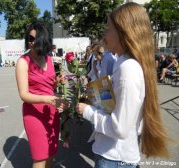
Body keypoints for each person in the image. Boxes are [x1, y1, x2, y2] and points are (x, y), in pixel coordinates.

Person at [76, 2, 169, 168]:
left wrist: (87, 111)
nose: (104, 35)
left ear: (123, 32)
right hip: (115, 155)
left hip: (114, 158)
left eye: (108, 29)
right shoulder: (125, 63)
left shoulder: (128, 68)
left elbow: (120, 128)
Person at [15, 22, 67, 168]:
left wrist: (56, 82)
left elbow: (49, 87)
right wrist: (47, 99)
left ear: (43, 40)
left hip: (51, 112)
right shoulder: (23, 62)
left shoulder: (49, 59)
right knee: (40, 157)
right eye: (29, 38)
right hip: (34, 114)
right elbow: (23, 95)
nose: (31, 42)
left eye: (34, 39)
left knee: (51, 151)